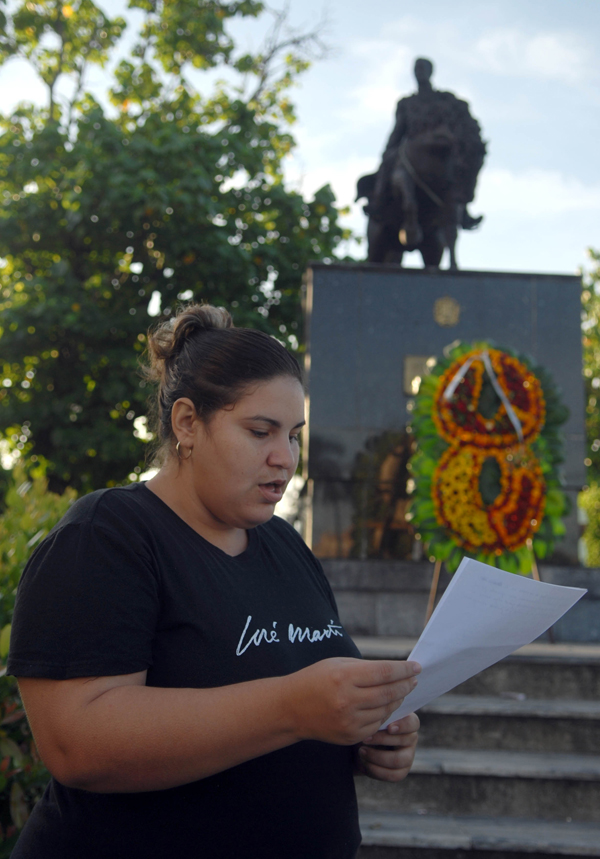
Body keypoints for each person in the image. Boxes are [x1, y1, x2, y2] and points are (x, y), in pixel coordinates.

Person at [7, 304, 421, 859]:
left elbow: (298, 707)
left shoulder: (285, 545)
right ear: (186, 424)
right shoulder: (107, 535)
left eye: (295, 436)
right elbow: (76, 744)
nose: (285, 458)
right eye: (260, 431)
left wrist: (367, 736)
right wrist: (292, 707)